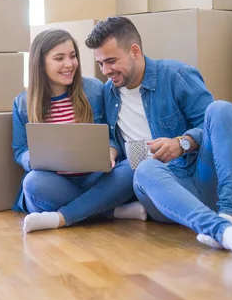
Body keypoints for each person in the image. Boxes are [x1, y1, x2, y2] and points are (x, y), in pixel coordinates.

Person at [84, 17, 232, 262]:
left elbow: (211, 127)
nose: (106, 71)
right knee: (145, 169)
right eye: (100, 63)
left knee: (221, 109)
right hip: (161, 192)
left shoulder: (175, 75)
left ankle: (229, 218)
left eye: (111, 61)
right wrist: (110, 150)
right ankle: (223, 232)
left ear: (135, 51)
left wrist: (181, 143)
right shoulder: (107, 93)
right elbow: (114, 141)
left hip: (201, 175)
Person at [11, 28, 145, 233]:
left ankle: (62, 216)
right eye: (59, 58)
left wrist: (110, 150)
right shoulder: (23, 103)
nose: (69, 64)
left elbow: (110, 136)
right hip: (55, 182)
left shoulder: (93, 89)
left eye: (73, 56)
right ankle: (110, 211)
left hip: (96, 178)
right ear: (40, 64)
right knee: (33, 183)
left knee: (135, 165)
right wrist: (36, 159)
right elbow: (20, 150)